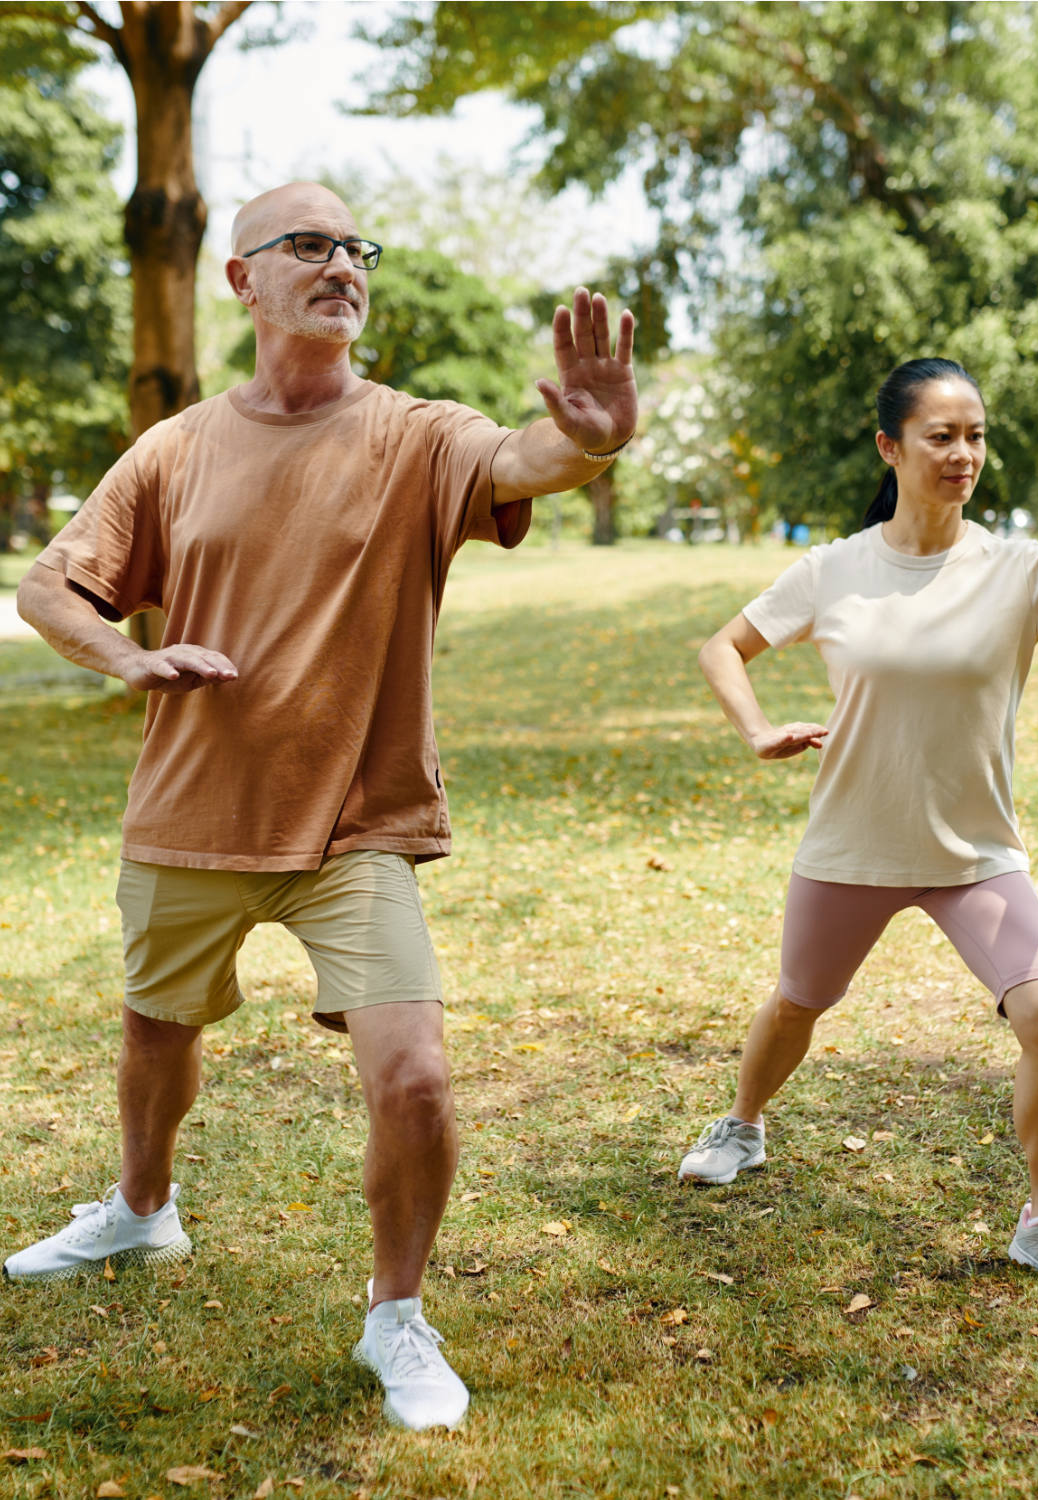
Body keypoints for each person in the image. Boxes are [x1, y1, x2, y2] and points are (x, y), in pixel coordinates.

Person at [5, 181, 637, 1430]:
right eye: (309, 244)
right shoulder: (176, 448)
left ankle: (395, 1315)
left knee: (416, 1084)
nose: (343, 263)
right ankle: (141, 1209)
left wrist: (599, 437)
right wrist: (129, 658)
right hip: (191, 809)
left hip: (354, 823)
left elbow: (527, 459)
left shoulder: (413, 433)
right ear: (242, 279)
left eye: (358, 246)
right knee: (155, 1037)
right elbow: (49, 586)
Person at [677, 357, 1038, 1305]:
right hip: (855, 845)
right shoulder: (835, 569)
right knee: (797, 1002)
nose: (964, 454)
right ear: (891, 446)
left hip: (973, 852)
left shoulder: (1022, 569)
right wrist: (756, 729)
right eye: (942, 436)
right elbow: (723, 646)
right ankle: (742, 1126)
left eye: (976, 435)